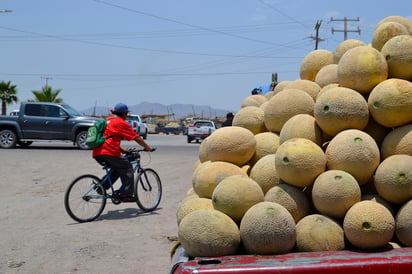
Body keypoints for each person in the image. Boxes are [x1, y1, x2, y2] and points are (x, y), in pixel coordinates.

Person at [92, 102, 155, 200]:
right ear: (125, 114)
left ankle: (102, 187)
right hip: (109, 152)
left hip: (97, 153)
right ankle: (126, 194)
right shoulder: (121, 122)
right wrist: (148, 148)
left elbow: (108, 138)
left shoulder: (108, 120)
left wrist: (122, 150)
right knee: (127, 166)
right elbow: (137, 138)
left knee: (118, 167)